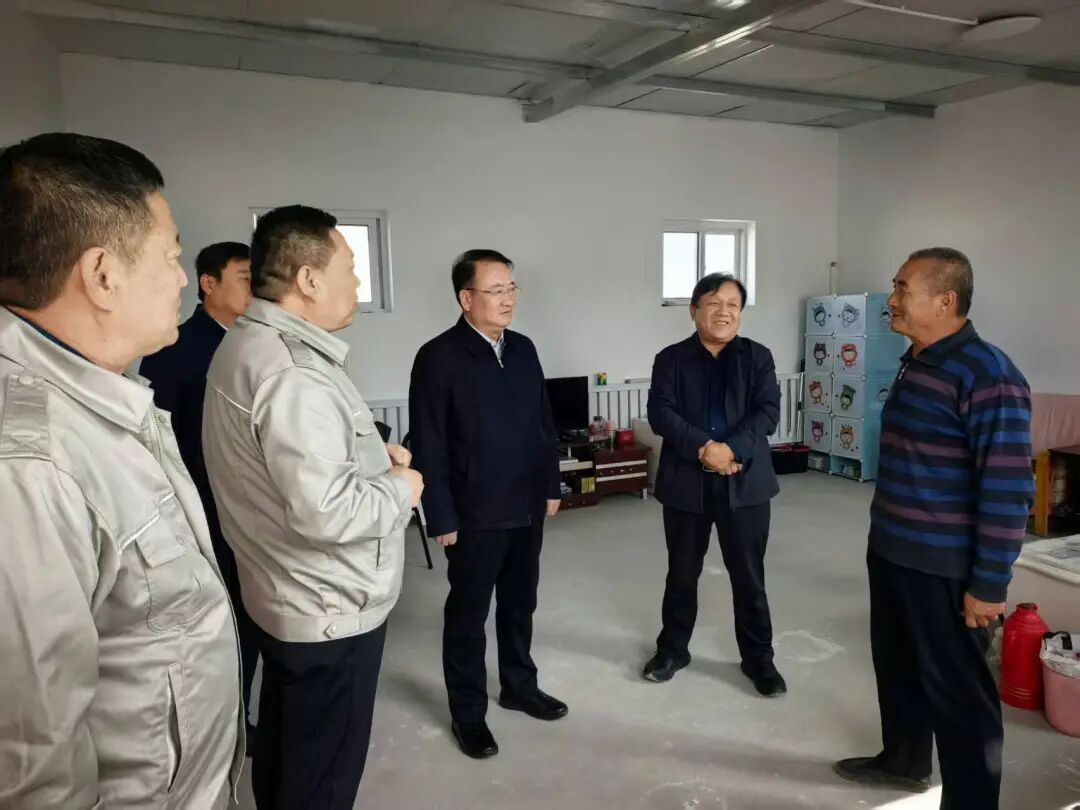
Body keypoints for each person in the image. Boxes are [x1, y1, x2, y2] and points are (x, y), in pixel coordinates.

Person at [0, 133, 242, 807]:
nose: (183, 278)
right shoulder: (29, 465)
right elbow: (33, 768)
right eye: (171, 255)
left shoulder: (102, 397)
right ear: (103, 274)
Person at [202, 205, 423, 810]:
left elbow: (285, 464)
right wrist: (402, 488)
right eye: (349, 268)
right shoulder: (293, 372)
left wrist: (370, 454)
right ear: (308, 279)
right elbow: (329, 513)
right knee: (321, 777)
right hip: (328, 608)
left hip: (283, 595)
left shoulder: (249, 344)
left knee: (289, 752)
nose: (358, 283)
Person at [835, 248, 1034, 810]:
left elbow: (1007, 488)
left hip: (945, 566)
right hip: (893, 550)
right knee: (897, 666)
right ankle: (903, 761)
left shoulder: (990, 375)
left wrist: (989, 584)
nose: (892, 299)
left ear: (945, 301)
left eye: (903, 288)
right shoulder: (917, 360)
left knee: (961, 695)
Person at [409, 249, 566, 760]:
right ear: (466, 297)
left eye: (511, 288)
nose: (508, 299)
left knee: (521, 604)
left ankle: (519, 686)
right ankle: (468, 713)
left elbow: (543, 423)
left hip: (525, 504)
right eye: (496, 290)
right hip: (474, 513)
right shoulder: (438, 357)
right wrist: (441, 515)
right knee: (468, 615)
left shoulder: (523, 349)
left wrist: (551, 484)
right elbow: (429, 442)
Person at [643, 272, 787, 697]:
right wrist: (704, 448)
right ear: (694, 311)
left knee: (749, 577)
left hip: (745, 484)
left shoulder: (757, 357)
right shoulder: (670, 359)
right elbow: (661, 413)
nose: (724, 312)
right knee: (681, 573)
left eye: (733, 305)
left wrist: (730, 450)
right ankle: (672, 650)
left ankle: (759, 658)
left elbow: (767, 413)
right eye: (713, 303)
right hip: (686, 485)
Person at [140, 241, 259, 746]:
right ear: (208, 284)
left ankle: (243, 712)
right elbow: (158, 439)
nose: (255, 287)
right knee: (221, 617)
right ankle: (226, 722)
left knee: (254, 612)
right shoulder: (175, 347)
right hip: (203, 505)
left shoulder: (255, 342)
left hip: (252, 504)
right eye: (244, 277)